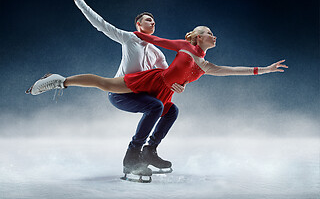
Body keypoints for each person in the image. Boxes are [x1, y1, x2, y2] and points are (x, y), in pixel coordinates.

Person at [27, 25, 288, 168]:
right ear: (197, 37)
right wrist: (131, 33)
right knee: (105, 84)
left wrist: (263, 70)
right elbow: (157, 40)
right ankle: (60, 81)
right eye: (208, 32)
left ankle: (150, 150)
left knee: (171, 111)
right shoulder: (186, 47)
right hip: (151, 81)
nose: (213, 35)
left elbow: (230, 71)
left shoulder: (205, 65)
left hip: (163, 92)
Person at [33, 0, 187, 177]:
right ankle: (132, 156)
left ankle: (150, 151)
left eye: (154, 21)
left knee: (171, 110)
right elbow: (101, 24)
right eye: (148, 20)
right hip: (121, 93)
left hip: (141, 93)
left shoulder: (157, 52)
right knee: (154, 106)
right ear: (138, 25)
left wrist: (179, 84)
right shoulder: (129, 38)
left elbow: (169, 75)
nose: (153, 22)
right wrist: (79, 0)